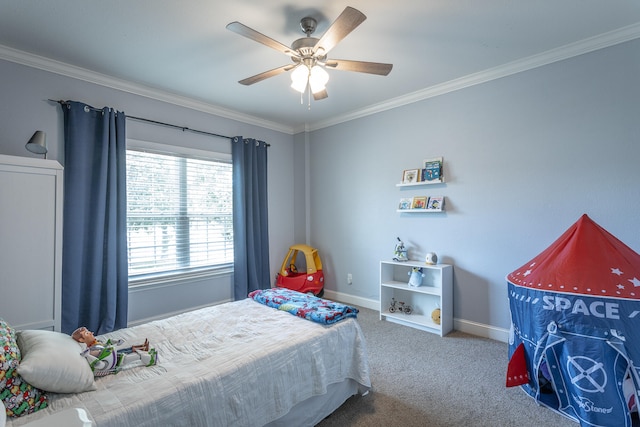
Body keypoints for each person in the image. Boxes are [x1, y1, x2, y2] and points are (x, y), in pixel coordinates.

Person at [72, 327, 157, 375]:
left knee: (127, 353)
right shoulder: (91, 351)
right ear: (81, 340)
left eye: (88, 331)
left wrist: (115, 341)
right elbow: (99, 364)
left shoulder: (95, 344)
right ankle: (150, 359)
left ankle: (146, 354)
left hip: (113, 355)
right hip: (114, 361)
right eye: (87, 333)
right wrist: (88, 355)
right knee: (130, 357)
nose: (90, 333)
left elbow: (104, 345)